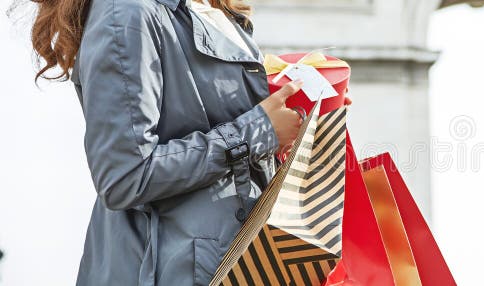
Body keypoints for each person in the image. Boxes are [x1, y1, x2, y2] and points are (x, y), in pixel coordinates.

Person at [26, 0, 336, 284]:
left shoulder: (211, 8)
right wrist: (256, 132)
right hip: (176, 268)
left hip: (234, 260)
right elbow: (123, 176)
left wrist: (299, 108)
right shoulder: (126, 11)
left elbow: (207, 118)